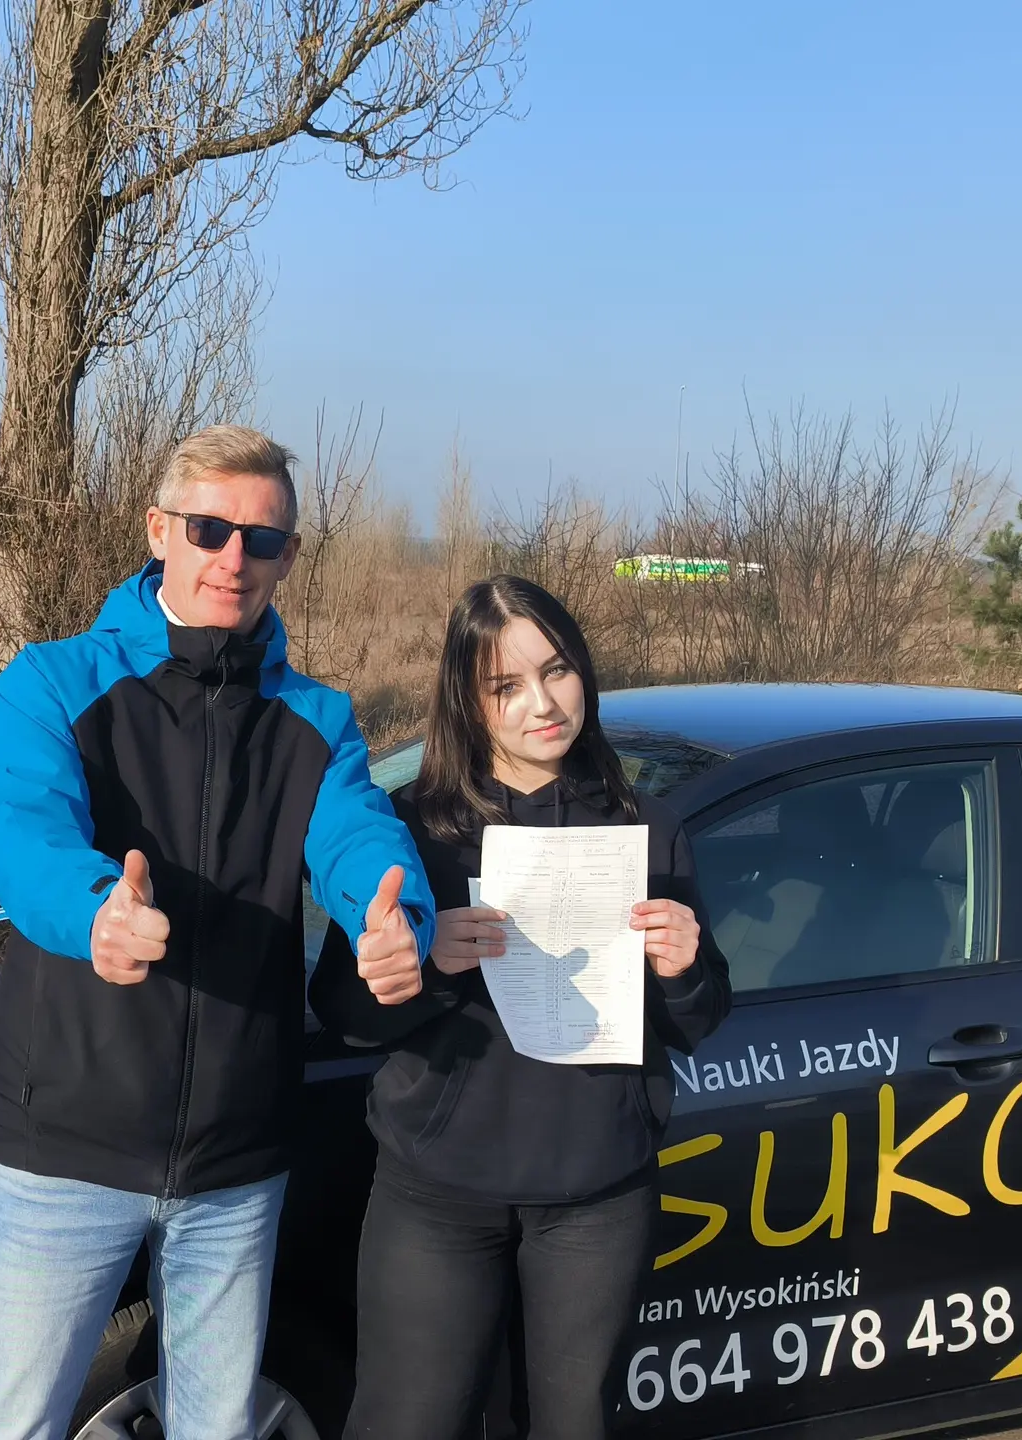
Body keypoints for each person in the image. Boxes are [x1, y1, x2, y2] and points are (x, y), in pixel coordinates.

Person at [0, 425, 438, 1440]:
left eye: (260, 539)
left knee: (217, 1430)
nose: (232, 558)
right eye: (209, 529)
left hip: (235, 1161)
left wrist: (394, 919)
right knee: (11, 1425)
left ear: (289, 557)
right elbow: (21, 827)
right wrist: (94, 909)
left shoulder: (318, 720)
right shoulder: (53, 681)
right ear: (158, 531)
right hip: (66, 1148)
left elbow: (360, 838)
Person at [312, 574, 732, 1440]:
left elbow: (697, 1020)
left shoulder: (648, 829)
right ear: (468, 702)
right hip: (437, 1195)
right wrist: (425, 964)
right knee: (406, 1423)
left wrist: (684, 968)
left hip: (596, 1197)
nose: (542, 703)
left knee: (571, 1424)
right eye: (505, 685)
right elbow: (344, 1011)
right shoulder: (415, 830)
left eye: (557, 670)